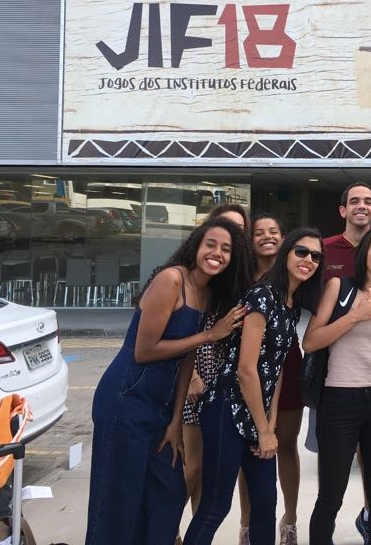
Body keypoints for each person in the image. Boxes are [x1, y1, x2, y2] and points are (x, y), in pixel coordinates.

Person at [85, 217, 250, 545]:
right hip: (126, 399)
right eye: (211, 244)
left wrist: (175, 420)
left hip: (160, 408)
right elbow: (145, 351)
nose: (217, 253)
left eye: (226, 249)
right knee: (118, 499)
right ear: (196, 246)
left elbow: (186, 360)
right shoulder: (172, 279)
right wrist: (209, 335)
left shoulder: (205, 293)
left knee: (168, 491)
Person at [184, 228, 324, 545]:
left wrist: (270, 426)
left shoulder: (291, 305)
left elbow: (274, 374)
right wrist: (263, 428)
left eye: (316, 256)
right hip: (226, 408)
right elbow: (246, 370)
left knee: (265, 503)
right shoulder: (262, 296)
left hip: (256, 415)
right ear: (287, 252)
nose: (309, 260)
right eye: (302, 251)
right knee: (215, 507)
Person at [306, 224, 371, 545]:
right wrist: (353, 316)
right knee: (330, 495)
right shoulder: (340, 287)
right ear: (365, 252)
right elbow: (311, 341)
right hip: (338, 401)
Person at [182, 204, 251, 531]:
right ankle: (165, 529)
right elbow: (176, 329)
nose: (232, 236)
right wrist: (192, 375)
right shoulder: (190, 275)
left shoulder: (235, 277)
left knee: (210, 472)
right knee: (191, 466)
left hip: (224, 384)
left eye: (239, 231)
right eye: (224, 227)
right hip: (192, 378)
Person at [236, 214, 305, 545]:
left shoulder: (298, 269)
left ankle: (289, 520)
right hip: (249, 368)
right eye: (259, 233)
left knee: (286, 444)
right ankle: (247, 525)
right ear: (251, 241)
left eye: (273, 231)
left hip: (287, 367)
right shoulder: (241, 278)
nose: (266, 237)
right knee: (251, 450)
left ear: (284, 237)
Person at [318, 182, 371, 541]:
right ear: (343, 210)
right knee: (336, 462)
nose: (361, 206)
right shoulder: (324, 250)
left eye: (368, 202)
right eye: (354, 201)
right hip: (330, 368)